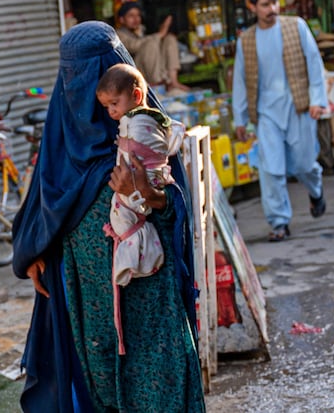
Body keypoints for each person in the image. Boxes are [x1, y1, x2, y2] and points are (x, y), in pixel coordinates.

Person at [12, 21, 204, 412]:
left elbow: (176, 207)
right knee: (99, 393)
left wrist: (146, 193)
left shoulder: (148, 131)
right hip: (88, 302)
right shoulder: (60, 141)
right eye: (72, 74)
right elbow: (41, 206)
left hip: (149, 299)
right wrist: (33, 251)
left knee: (159, 391)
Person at [95, 63, 186, 354]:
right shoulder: (132, 125)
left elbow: (173, 199)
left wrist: (144, 193)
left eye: (114, 104)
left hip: (157, 287)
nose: (110, 112)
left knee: (158, 353)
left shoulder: (141, 127)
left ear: (134, 95)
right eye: (105, 106)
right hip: (96, 303)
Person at [232, 0, 328, 242]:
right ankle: (279, 223)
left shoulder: (296, 26)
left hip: (298, 106)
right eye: (265, 4)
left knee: (304, 164)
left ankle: (315, 192)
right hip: (266, 114)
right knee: (271, 169)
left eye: (274, 3)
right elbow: (240, 81)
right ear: (252, 7)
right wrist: (240, 119)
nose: (271, 9)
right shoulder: (247, 40)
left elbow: (314, 64)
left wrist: (318, 100)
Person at [116, 1, 190, 94]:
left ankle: (173, 82)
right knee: (150, 43)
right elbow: (134, 46)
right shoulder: (118, 34)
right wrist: (159, 34)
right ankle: (157, 84)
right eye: (131, 16)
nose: (136, 19)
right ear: (122, 19)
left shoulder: (141, 30)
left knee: (169, 38)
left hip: (157, 70)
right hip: (137, 75)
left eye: (138, 15)